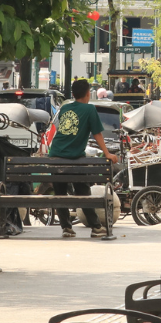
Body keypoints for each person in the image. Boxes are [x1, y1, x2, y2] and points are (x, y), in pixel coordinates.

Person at [49, 78, 120, 238]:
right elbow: (97, 133)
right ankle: (96, 227)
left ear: (73, 94)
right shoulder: (89, 109)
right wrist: (107, 153)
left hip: (55, 155)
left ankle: (66, 228)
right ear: (88, 93)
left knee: (60, 193)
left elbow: (62, 130)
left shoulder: (65, 107)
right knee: (83, 192)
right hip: (74, 158)